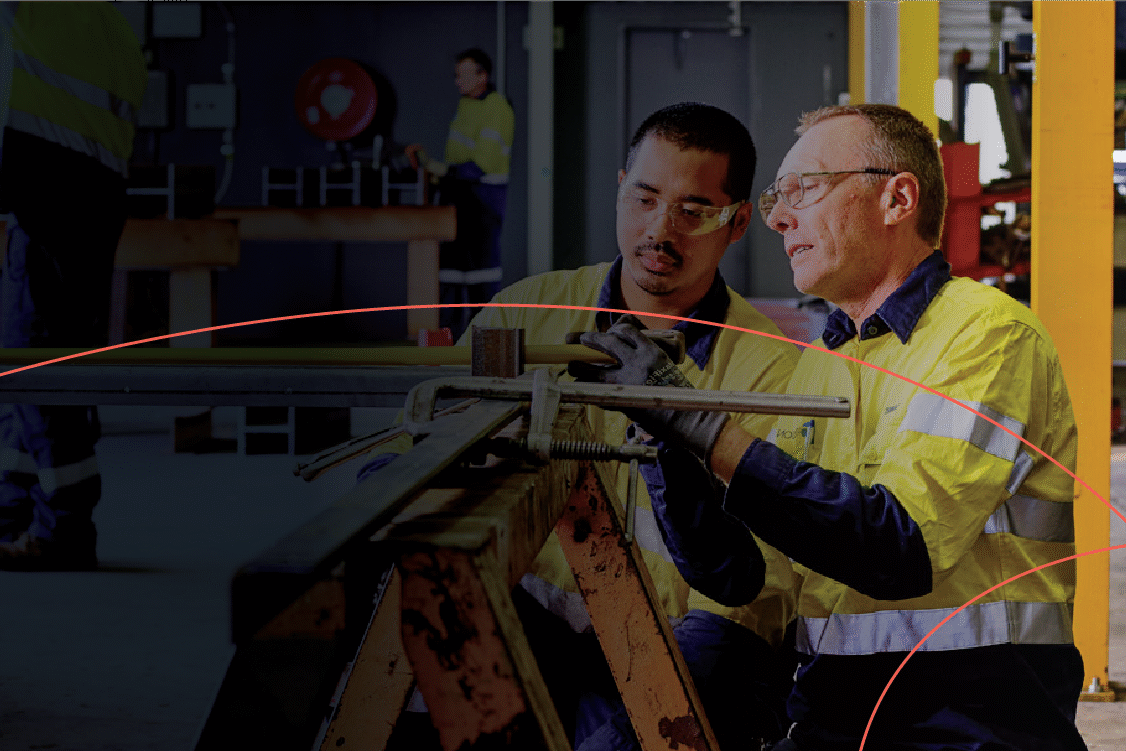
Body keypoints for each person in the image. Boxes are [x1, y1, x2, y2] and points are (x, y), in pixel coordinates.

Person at [571, 103, 1087, 750]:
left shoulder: (986, 334)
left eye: (805, 189)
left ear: (898, 198)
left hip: (972, 719)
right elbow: (739, 575)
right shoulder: (825, 364)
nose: (781, 217)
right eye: (776, 199)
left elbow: (900, 545)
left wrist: (696, 419)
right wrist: (666, 439)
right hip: (842, 718)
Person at [374, 101, 802, 750]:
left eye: (694, 211)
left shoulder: (772, 369)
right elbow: (418, 451)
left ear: (739, 221)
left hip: (687, 630)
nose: (661, 229)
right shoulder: (525, 315)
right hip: (538, 616)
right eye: (645, 197)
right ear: (620, 185)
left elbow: (744, 586)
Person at [0, 2, 146, 570]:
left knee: (35, 364)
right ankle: (14, 513)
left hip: (47, 203)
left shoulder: (35, 10)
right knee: (41, 365)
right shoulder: (111, 24)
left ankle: (64, 527)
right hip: (90, 198)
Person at [405, 47, 514, 340]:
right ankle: (450, 341)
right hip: (458, 198)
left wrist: (438, 169)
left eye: (464, 74)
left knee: (481, 275)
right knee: (452, 273)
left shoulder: (496, 107)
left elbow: (482, 165)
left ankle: (484, 344)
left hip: (482, 201)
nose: (457, 81)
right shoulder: (466, 106)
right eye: (456, 75)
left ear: (483, 75)